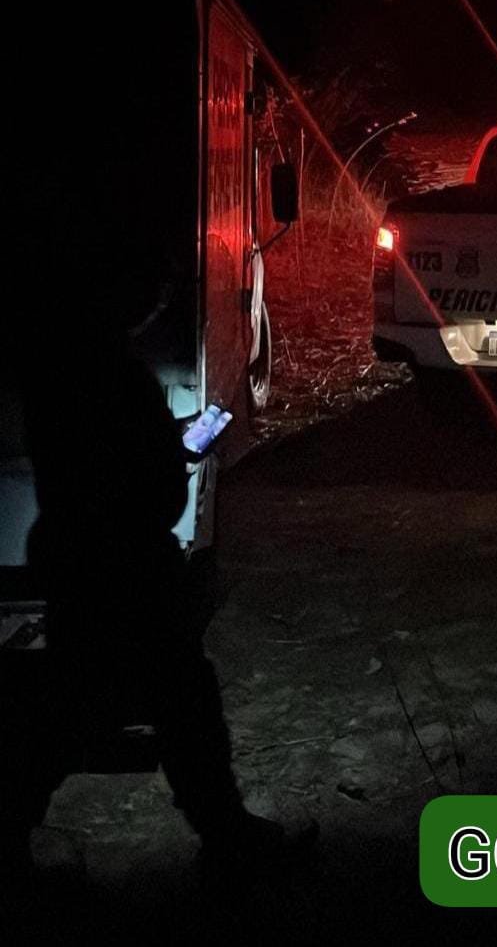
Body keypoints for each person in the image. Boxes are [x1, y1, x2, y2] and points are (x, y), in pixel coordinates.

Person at [0, 254, 313, 887]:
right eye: (152, 288)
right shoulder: (110, 373)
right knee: (163, 702)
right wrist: (175, 460)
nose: (162, 300)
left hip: (81, 556)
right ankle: (226, 839)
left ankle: (223, 833)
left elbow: (99, 459)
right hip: (122, 566)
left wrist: (162, 448)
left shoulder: (59, 363)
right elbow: (140, 484)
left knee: (89, 703)